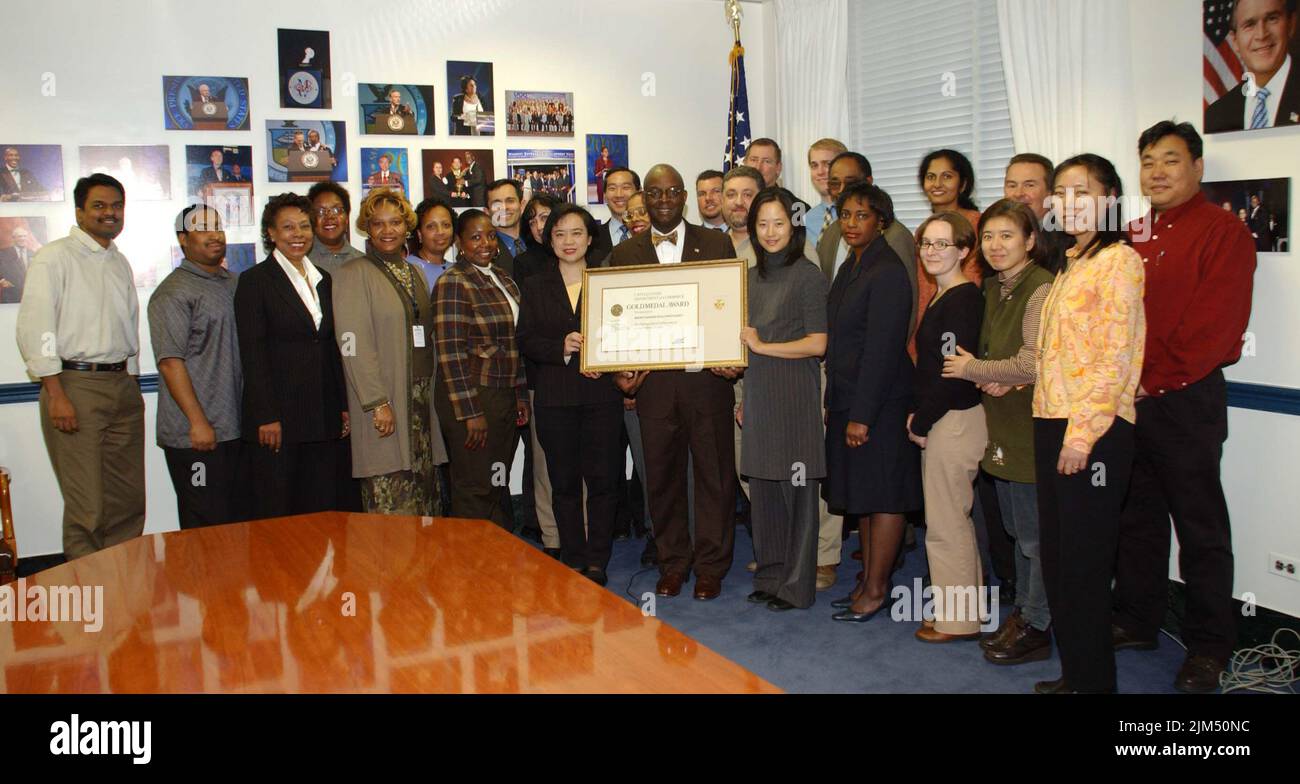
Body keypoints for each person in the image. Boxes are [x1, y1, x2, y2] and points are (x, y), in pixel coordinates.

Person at [1115, 121, 1257, 693]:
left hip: (1185, 398)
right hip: (1130, 398)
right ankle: (1137, 619)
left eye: (1170, 160)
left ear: (1197, 167)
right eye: (1148, 161)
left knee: (1200, 529)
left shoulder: (1224, 232)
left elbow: (1215, 329)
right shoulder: (1130, 234)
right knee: (1137, 519)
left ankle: (1209, 647)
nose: (1157, 172)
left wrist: (1150, 381)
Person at [1031, 153, 1145, 694]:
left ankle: (1095, 683)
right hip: (1051, 421)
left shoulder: (1119, 261)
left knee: (1083, 565)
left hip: (1091, 432)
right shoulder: (1074, 260)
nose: (1066, 203)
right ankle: (1076, 673)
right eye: (1060, 193)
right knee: (1058, 560)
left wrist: (1081, 435)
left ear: (1110, 199)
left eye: (1081, 192)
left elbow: (1114, 358)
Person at [609, 164, 739, 601]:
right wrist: (621, 371)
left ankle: (710, 566)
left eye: (671, 193)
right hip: (655, 388)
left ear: (684, 196)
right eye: (654, 193)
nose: (663, 200)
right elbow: (619, 325)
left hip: (707, 383)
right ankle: (673, 563)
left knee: (713, 477)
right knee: (661, 479)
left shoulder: (717, 243)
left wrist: (732, 357)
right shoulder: (626, 253)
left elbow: (730, 310)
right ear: (644, 198)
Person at [943, 199, 1056, 664]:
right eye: (989, 236)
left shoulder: (1041, 287)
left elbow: (1034, 360)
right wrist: (991, 373)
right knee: (1013, 528)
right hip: (1000, 423)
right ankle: (1023, 613)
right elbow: (999, 359)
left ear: (1030, 240)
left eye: (1007, 235)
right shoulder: (991, 287)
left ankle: (1038, 623)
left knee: (1033, 536)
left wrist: (977, 369)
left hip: (1032, 426)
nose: (995, 245)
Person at [16, 173, 144, 558]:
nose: (110, 213)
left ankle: (124, 594)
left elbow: (128, 327)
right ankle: (90, 603)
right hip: (74, 386)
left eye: (116, 206)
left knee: (127, 501)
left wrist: (133, 384)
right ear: (79, 211)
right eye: (99, 206)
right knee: (87, 507)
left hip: (121, 385)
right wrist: (55, 393)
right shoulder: (55, 256)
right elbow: (36, 326)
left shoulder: (118, 261)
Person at [813, 151, 917, 590]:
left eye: (863, 215)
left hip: (879, 405)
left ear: (882, 222)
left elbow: (882, 350)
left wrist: (861, 415)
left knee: (885, 497)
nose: (852, 222)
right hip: (850, 398)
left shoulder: (888, 271)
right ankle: (868, 581)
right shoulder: (853, 266)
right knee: (867, 497)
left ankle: (876, 590)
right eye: (846, 214)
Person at [517, 204, 624, 585]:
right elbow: (526, 339)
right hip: (555, 396)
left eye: (576, 233)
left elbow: (626, 336)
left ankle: (598, 559)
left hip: (602, 396)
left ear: (590, 238)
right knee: (563, 482)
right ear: (549, 239)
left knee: (603, 481)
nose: (568, 241)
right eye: (559, 233)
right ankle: (574, 558)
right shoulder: (534, 285)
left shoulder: (609, 281)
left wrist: (608, 359)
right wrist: (561, 347)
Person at [737, 188, 829, 611]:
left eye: (779, 222)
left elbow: (817, 344)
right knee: (765, 492)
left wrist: (763, 347)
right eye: (762, 224)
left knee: (797, 493)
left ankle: (796, 586)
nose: (770, 232)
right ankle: (772, 576)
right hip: (759, 394)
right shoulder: (749, 277)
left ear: (793, 225)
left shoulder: (808, 275)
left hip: (794, 395)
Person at [235, 193, 350, 519]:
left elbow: (330, 348)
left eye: (303, 226)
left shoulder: (323, 280)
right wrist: (266, 416)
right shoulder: (255, 281)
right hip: (279, 421)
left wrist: (342, 406)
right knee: (279, 510)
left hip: (323, 414)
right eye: (287, 227)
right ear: (271, 233)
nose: (298, 234)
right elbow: (252, 353)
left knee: (321, 507)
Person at [333, 190, 443, 516]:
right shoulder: (353, 274)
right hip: (385, 399)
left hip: (421, 398)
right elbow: (352, 343)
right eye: (377, 223)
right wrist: (376, 401)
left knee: (424, 492)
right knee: (390, 494)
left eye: (395, 222)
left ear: (407, 226)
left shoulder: (416, 272)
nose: (387, 230)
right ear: (367, 227)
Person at [906, 211, 985, 641]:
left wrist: (921, 420)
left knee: (947, 525)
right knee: (952, 520)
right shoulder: (942, 294)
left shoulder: (963, 299)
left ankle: (957, 621)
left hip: (953, 422)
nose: (932, 252)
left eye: (942, 244)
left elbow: (954, 374)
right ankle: (964, 614)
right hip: (944, 418)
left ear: (964, 250)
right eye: (926, 244)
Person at [148, 204, 244, 529]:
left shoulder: (236, 283)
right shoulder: (173, 293)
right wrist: (198, 422)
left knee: (236, 522)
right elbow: (170, 363)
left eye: (217, 226)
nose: (214, 234)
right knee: (205, 522)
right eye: (202, 228)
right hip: (197, 437)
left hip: (235, 430)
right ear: (183, 239)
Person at [433, 209, 529, 528]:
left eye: (489, 235)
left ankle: (495, 552)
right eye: (475, 237)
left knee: (496, 479)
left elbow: (514, 344)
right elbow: (450, 351)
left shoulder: (502, 277)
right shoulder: (453, 281)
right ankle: (469, 563)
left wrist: (519, 397)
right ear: (459, 243)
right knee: (474, 486)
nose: (485, 243)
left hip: (502, 394)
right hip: (472, 396)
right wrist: (470, 412)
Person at [915, 149, 984, 358]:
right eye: (931, 177)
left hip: (956, 317)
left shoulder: (977, 224)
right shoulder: (923, 229)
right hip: (926, 321)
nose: (937, 184)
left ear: (962, 184)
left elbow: (973, 281)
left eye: (947, 176)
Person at [1205, 0, 1299, 133]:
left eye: (1272, 19)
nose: (1261, 35)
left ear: (1291, 24)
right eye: (1249, 24)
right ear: (1235, 40)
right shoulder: (1216, 116)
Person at [724, 166, 817, 267]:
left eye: (747, 195)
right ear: (721, 199)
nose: (738, 202)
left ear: (762, 198)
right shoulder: (714, 244)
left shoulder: (796, 246)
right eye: (731, 195)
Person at [1003, 152, 1068, 268]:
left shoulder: (1067, 238)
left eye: (1029, 185)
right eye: (1012, 185)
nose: (1018, 194)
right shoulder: (997, 235)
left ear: (1050, 192)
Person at [307, 182, 365, 274]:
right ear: (311, 219)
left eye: (336, 210)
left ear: (347, 218)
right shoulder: (301, 261)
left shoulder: (364, 264)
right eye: (321, 211)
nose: (329, 216)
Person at [589, 166, 640, 265]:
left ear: (638, 191)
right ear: (604, 195)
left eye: (626, 187)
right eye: (612, 188)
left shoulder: (651, 233)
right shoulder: (593, 238)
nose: (619, 194)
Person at [804, 138, 848, 247]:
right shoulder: (806, 220)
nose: (820, 172)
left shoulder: (864, 214)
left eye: (827, 164)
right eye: (814, 165)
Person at [407, 195, 456, 293]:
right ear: (419, 234)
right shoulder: (407, 270)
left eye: (446, 225)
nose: (440, 232)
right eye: (431, 227)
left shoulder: (457, 269)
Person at [487, 178, 526, 273]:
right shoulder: (483, 251)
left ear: (522, 205)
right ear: (487, 212)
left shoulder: (539, 242)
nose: (504, 208)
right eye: (497, 203)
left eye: (510, 201)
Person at [0, 226, 37, 304]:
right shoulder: (3, 253)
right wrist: (1, 280)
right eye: (20, 236)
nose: (22, 238)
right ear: (13, 238)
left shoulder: (33, 253)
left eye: (25, 236)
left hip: (30, 294)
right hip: (10, 295)